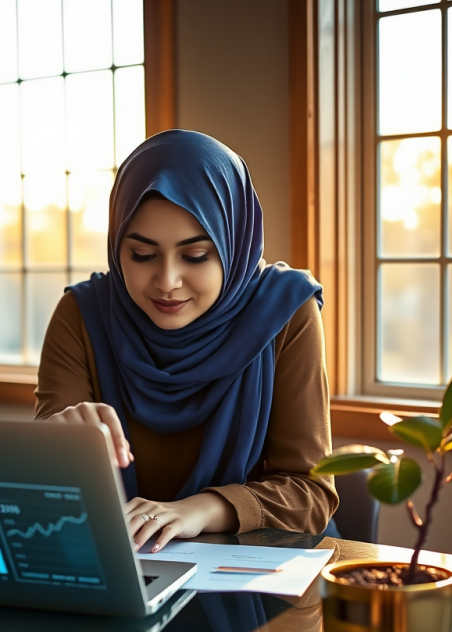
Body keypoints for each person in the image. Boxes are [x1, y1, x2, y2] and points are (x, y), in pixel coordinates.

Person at [35, 130, 337, 552]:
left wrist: (202, 510)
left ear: (233, 245)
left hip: (260, 565)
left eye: (195, 256)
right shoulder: (81, 315)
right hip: (127, 562)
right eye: (142, 255)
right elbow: (43, 493)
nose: (167, 281)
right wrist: (54, 442)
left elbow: (310, 494)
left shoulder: (285, 312)